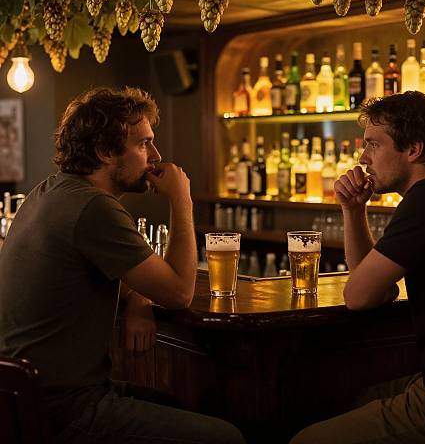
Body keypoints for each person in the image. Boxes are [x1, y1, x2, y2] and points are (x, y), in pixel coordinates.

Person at [0, 87, 245, 444]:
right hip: (63, 409)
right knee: (225, 436)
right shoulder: (95, 208)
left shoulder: (48, 191)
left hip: (19, 400)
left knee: (176, 404)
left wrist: (137, 298)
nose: (157, 156)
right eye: (144, 144)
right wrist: (182, 199)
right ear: (104, 151)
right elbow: (179, 292)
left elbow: (102, 267)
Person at [290, 91, 425, 444]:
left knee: (305, 439)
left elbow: (358, 297)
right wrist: (353, 210)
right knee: (355, 399)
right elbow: (373, 287)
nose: (363, 158)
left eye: (374, 145)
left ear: (413, 150)